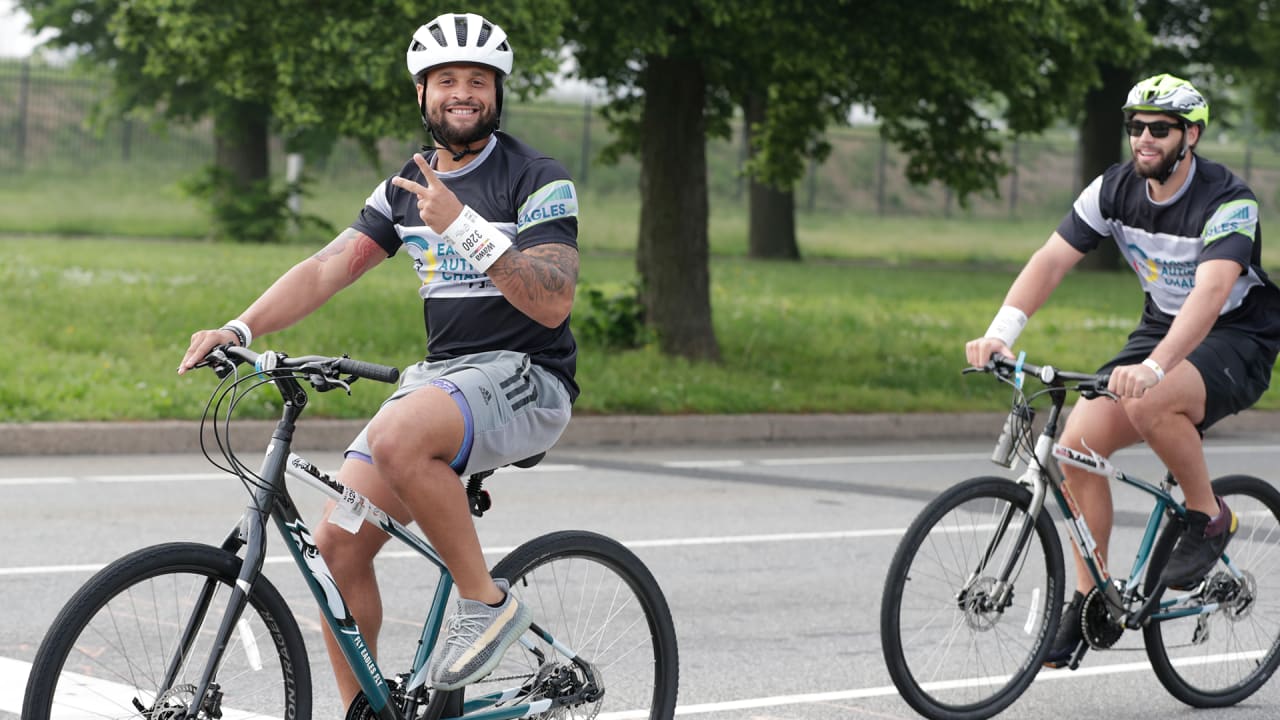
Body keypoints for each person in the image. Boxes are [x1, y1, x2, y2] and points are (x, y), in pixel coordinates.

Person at [178, 11, 581, 705]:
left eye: (478, 80)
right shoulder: (406, 186)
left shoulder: (538, 178)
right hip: (444, 383)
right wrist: (238, 328)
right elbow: (330, 266)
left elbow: (551, 301)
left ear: (498, 92)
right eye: (446, 79)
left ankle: (486, 605)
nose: (463, 92)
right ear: (422, 95)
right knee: (337, 550)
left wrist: (463, 226)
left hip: (527, 377)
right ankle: (365, 712)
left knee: (398, 437)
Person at [964, 73, 1280, 669]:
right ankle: (1093, 600)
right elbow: (1052, 259)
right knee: (1076, 445)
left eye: (1159, 128)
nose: (1143, 138)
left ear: (1191, 134)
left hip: (1238, 335)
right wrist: (1001, 332)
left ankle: (1209, 517)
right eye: (1135, 126)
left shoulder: (1228, 200)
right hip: (1161, 328)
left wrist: (1156, 369)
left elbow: (1211, 295)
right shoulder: (1113, 189)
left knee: (1148, 401)